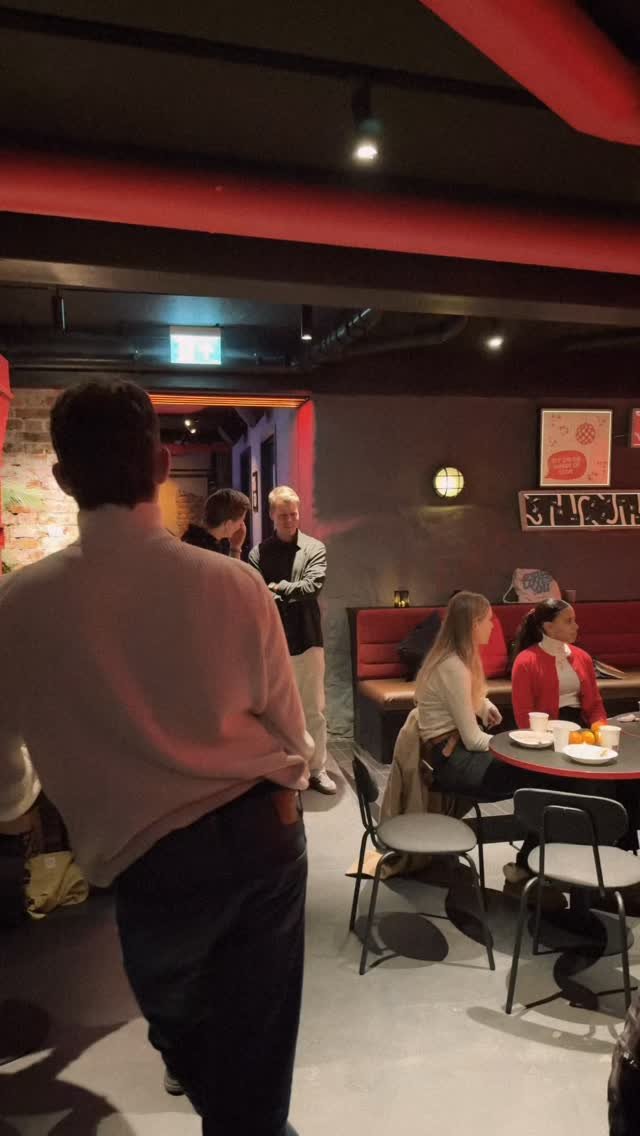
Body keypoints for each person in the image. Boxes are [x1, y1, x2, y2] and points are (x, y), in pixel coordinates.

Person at [0, 379, 313, 1136]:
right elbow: (292, 733)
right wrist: (289, 787)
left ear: (62, 478)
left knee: (187, 1036)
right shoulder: (235, 583)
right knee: (254, 1051)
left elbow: (5, 771)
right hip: (262, 836)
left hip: (150, 862)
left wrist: (28, 802)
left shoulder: (19, 604)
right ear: (165, 464)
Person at [415, 591, 568, 894]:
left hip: (449, 753)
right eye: (488, 619)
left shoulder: (455, 659)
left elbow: (461, 697)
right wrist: (519, 743)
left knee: (547, 778)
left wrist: (484, 705)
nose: (493, 625)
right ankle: (529, 869)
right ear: (473, 624)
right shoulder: (453, 666)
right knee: (549, 779)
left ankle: (531, 867)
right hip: (453, 762)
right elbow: (473, 740)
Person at [250, 485, 336, 795]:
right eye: (283, 515)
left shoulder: (314, 548)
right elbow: (257, 594)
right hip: (272, 642)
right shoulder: (258, 553)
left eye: (294, 514)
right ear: (272, 515)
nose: (289, 520)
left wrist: (278, 588)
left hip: (307, 638)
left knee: (313, 708)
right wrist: (284, 591)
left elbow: (312, 586)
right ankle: (286, 768)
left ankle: (317, 768)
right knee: (276, 710)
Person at [511, 598, 606, 729]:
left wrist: (600, 728)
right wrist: (538, 738)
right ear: (549, 627)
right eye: (568, 621)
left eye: (574, 620)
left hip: (581, 729)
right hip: (543, 732)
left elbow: (595, 705)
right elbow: (523, 714)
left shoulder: (583, 657)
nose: (576, 626)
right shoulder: (525, 662)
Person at [181, 487, 249, 558]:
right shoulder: (207, 553)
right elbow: (229, 566)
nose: (242, 525)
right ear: (228, 524)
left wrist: (235, 546)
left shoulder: (194, 538)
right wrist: (236, 548)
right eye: (241, 520)